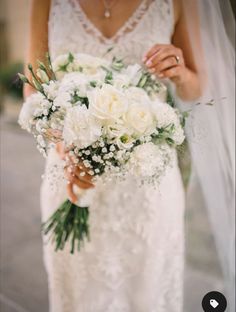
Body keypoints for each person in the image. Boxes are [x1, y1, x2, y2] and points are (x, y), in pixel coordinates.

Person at [24, 0, 234, 311]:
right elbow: (35, 88)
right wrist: (65, 148)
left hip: (148, 185)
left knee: (146, 294)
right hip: (72, 174)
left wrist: (178, 72)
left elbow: (196, 86)